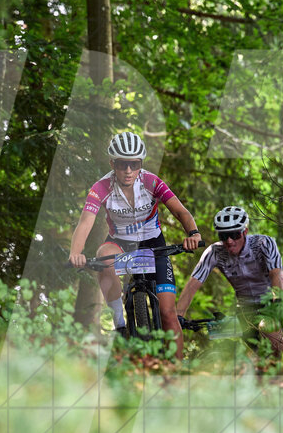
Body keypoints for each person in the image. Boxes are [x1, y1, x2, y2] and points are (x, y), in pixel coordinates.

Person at [68, 131, 202, 358]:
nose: (128, 170)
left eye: (134, 164)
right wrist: (76, 252)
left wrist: (194, 233)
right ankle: (119, 323)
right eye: (122, 164)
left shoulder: (151, 182)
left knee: (168, 313)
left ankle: (178, 371)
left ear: (141, 163)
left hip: (153, 243)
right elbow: (85, 222)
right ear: (112, 163)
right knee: (103, 255)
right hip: (120, 243)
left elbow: (180, 211)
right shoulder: (101, 188)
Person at [175, 206, 283, 356]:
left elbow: (276, 275)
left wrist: (277, 303)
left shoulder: (263, 243)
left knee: (268, 327)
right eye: (224, 235)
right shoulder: (215, 252)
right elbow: (193, 284)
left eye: (234, 234)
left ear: (245, 231)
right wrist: (177, 317)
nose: (229, 241)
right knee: (258, 355)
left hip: (275, 300)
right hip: (247, 308)